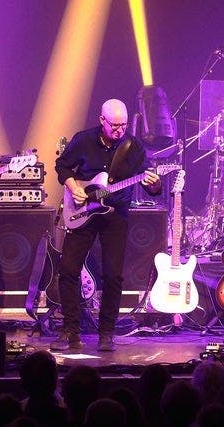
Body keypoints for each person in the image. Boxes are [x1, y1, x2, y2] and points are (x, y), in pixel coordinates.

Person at [52, 99, 161, 352]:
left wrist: (155, 183)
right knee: (68, 270)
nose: (119, 130)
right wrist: (74, 187)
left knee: (113, 275)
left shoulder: (133, 146)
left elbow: (151, 186)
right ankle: (70, 331)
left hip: (115, 214)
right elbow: (62, 166)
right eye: (114, 125)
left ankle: (107, 333)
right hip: (82, 210)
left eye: (123, 125)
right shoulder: (83, 139)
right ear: (102, 120)